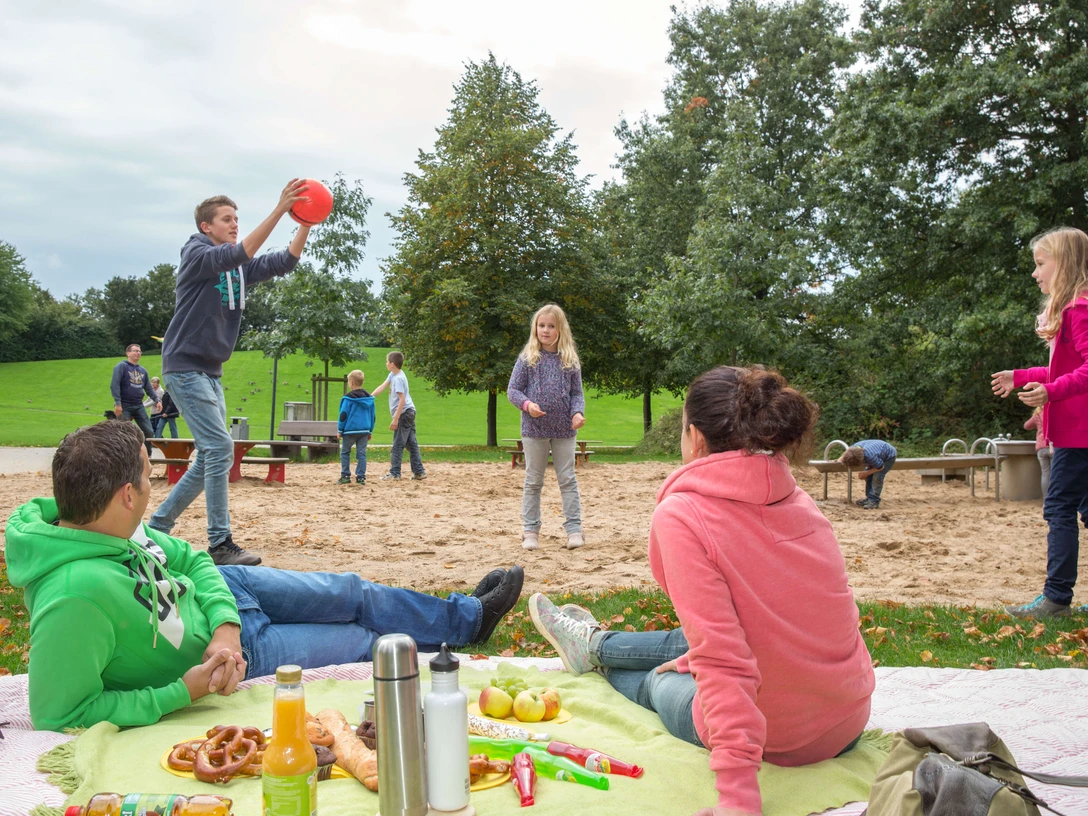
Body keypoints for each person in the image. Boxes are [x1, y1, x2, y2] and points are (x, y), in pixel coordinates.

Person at [5, 420, 525, 732]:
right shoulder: (73, 597)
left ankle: (468, 618)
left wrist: (225, 621)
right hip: (239, 659)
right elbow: (60, 714)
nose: (150, 485)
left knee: (352, 591)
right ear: (125, 495)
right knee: (359, 640)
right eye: (147, 475)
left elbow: (191, 560)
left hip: (230, 601)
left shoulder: (106, 522)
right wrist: (180, 693)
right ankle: (456, 636)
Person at [527, 366, 874, 816]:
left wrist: (738, 801)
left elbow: (724, 663)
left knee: (661, 680)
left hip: (783, 735)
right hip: (848, 717)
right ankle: (592, 644)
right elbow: (819, 615)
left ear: (695, 437)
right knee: (691, 645)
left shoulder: (684, 516)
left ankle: (594, 654)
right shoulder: (797, 498)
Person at [150, 181, 313, 567]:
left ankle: (156, 529)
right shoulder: (196, 252)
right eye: (227, 219)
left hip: (210, 371)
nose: (235, 223)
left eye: (237, 218)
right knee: (220, 449)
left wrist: (305, 221)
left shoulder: (235, 266)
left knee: (211, 456)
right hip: (184, 365)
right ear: (207, 226)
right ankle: (220, 543)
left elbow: (283, 261)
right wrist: (277, 210)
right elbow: (241, 251)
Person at [992, 226, 1088, 618]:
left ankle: (1056, 600)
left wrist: (1052, 392)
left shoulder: (1077, 310)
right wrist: (1020, 375)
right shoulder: (1074, 310)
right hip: (1078, 432)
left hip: (1077, 435)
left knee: (1059, 510)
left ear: (1062, 264)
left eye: (1040, 264)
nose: (1035, 273)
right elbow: (1063, 368)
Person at [506, 304, 586, 550]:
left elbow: (577, 394)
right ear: (535, 328)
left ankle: (574, 530)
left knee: (568, 479)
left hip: (564, 429)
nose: (546, 330)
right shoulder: (527, 359)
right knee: (533, 481)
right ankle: (530, 531)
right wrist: (527, 405)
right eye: (542, 325)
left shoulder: (570, 361)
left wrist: (577, 412)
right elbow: (513, 391)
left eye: (551, 326)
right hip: (534, 429)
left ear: (560, 329)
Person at [371, 352, 426, 481]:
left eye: (387, 362)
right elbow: (383, 386)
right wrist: (369, 397)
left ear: (392, 364)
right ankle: (419, 471)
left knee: (398, 444)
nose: (386, 364)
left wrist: (395, 419)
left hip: (404, 414)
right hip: (409, 412)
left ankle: (395, 472)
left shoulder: (399, 379)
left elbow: (402, 400)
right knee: (411, 444)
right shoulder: (393, 375)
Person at [110, 344, 160, 456]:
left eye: (140, 351)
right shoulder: (121, 367)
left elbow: (149, 388)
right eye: (135, 351)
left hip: (138, 405)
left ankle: (147, 456)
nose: (138, 353)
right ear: (128, 353)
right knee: (123, 433)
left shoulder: (143, 371)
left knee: (149, 431)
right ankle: (124, 457)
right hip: (124, 404)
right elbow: (114, 385)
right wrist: (118, 403)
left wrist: (157, 400)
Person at [337, 369, 375, 485]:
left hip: (350, 430)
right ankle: (361, 477)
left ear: (351, 382)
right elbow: (372, 416)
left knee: (345, 452)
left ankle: (345, 475)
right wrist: (370, 430)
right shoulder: (369, 399)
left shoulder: (348, 399)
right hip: (364, 430)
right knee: (361, 453)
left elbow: (343, 415)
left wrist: (340, 430)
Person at [838, 440, 897, 509]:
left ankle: (874, 501)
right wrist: (840, 460)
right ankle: (869, 498)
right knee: (869, 476)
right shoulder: (851, 450)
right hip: (877, 453)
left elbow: (880, 467)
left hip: (888, 456)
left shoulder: (870, 456)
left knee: (877, 477)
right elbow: (844, 456)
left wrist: (866, 473)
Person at [1024, 407, 1052, 496]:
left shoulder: (1038, 414)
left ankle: (1046, 500)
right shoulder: (1055, 412)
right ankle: (1055, 499)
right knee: (1055, 474)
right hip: (1053, 446)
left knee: (1045, 474)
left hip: (1041, 447)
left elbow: (1027, 426)